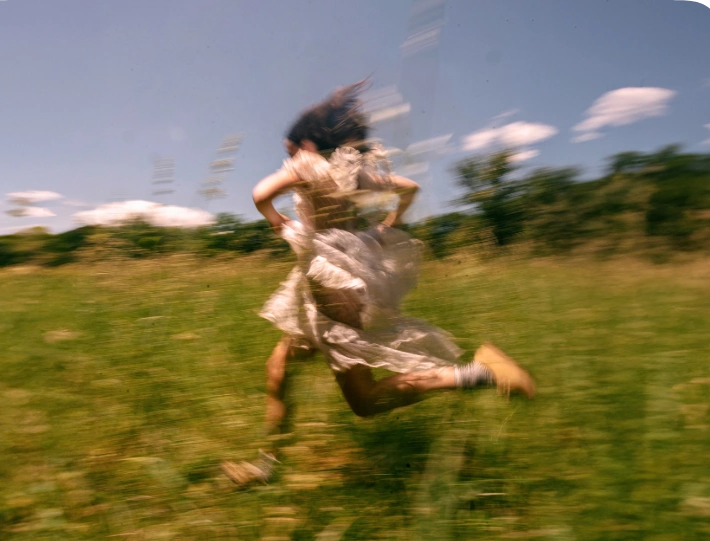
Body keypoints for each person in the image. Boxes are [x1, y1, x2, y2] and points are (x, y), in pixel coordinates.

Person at [221, 80, 535, 487]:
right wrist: (388, 224)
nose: (289, 155)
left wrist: (279, 223)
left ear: (307, 143)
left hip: (328, 290)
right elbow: (410, 188)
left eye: (291, 148)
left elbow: (260, 194)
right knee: (279, 364)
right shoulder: (356, 173)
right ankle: (266, 466)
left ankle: (480, 373)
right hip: (349, 282)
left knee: (365, 401)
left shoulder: (304, 165)